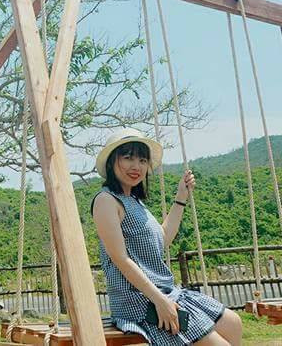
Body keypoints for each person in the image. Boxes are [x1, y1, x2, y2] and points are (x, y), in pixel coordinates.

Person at [91, 130, 243, 346]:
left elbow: (162, 239)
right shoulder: (106, 200)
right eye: (128, 157)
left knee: (233, 322)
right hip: (139, 301)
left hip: (165, 292)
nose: (136, 166)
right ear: (111, 161)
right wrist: (159, 300)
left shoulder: (134, 201)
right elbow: (120, 259)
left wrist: (181, 197)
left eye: (142, 160)